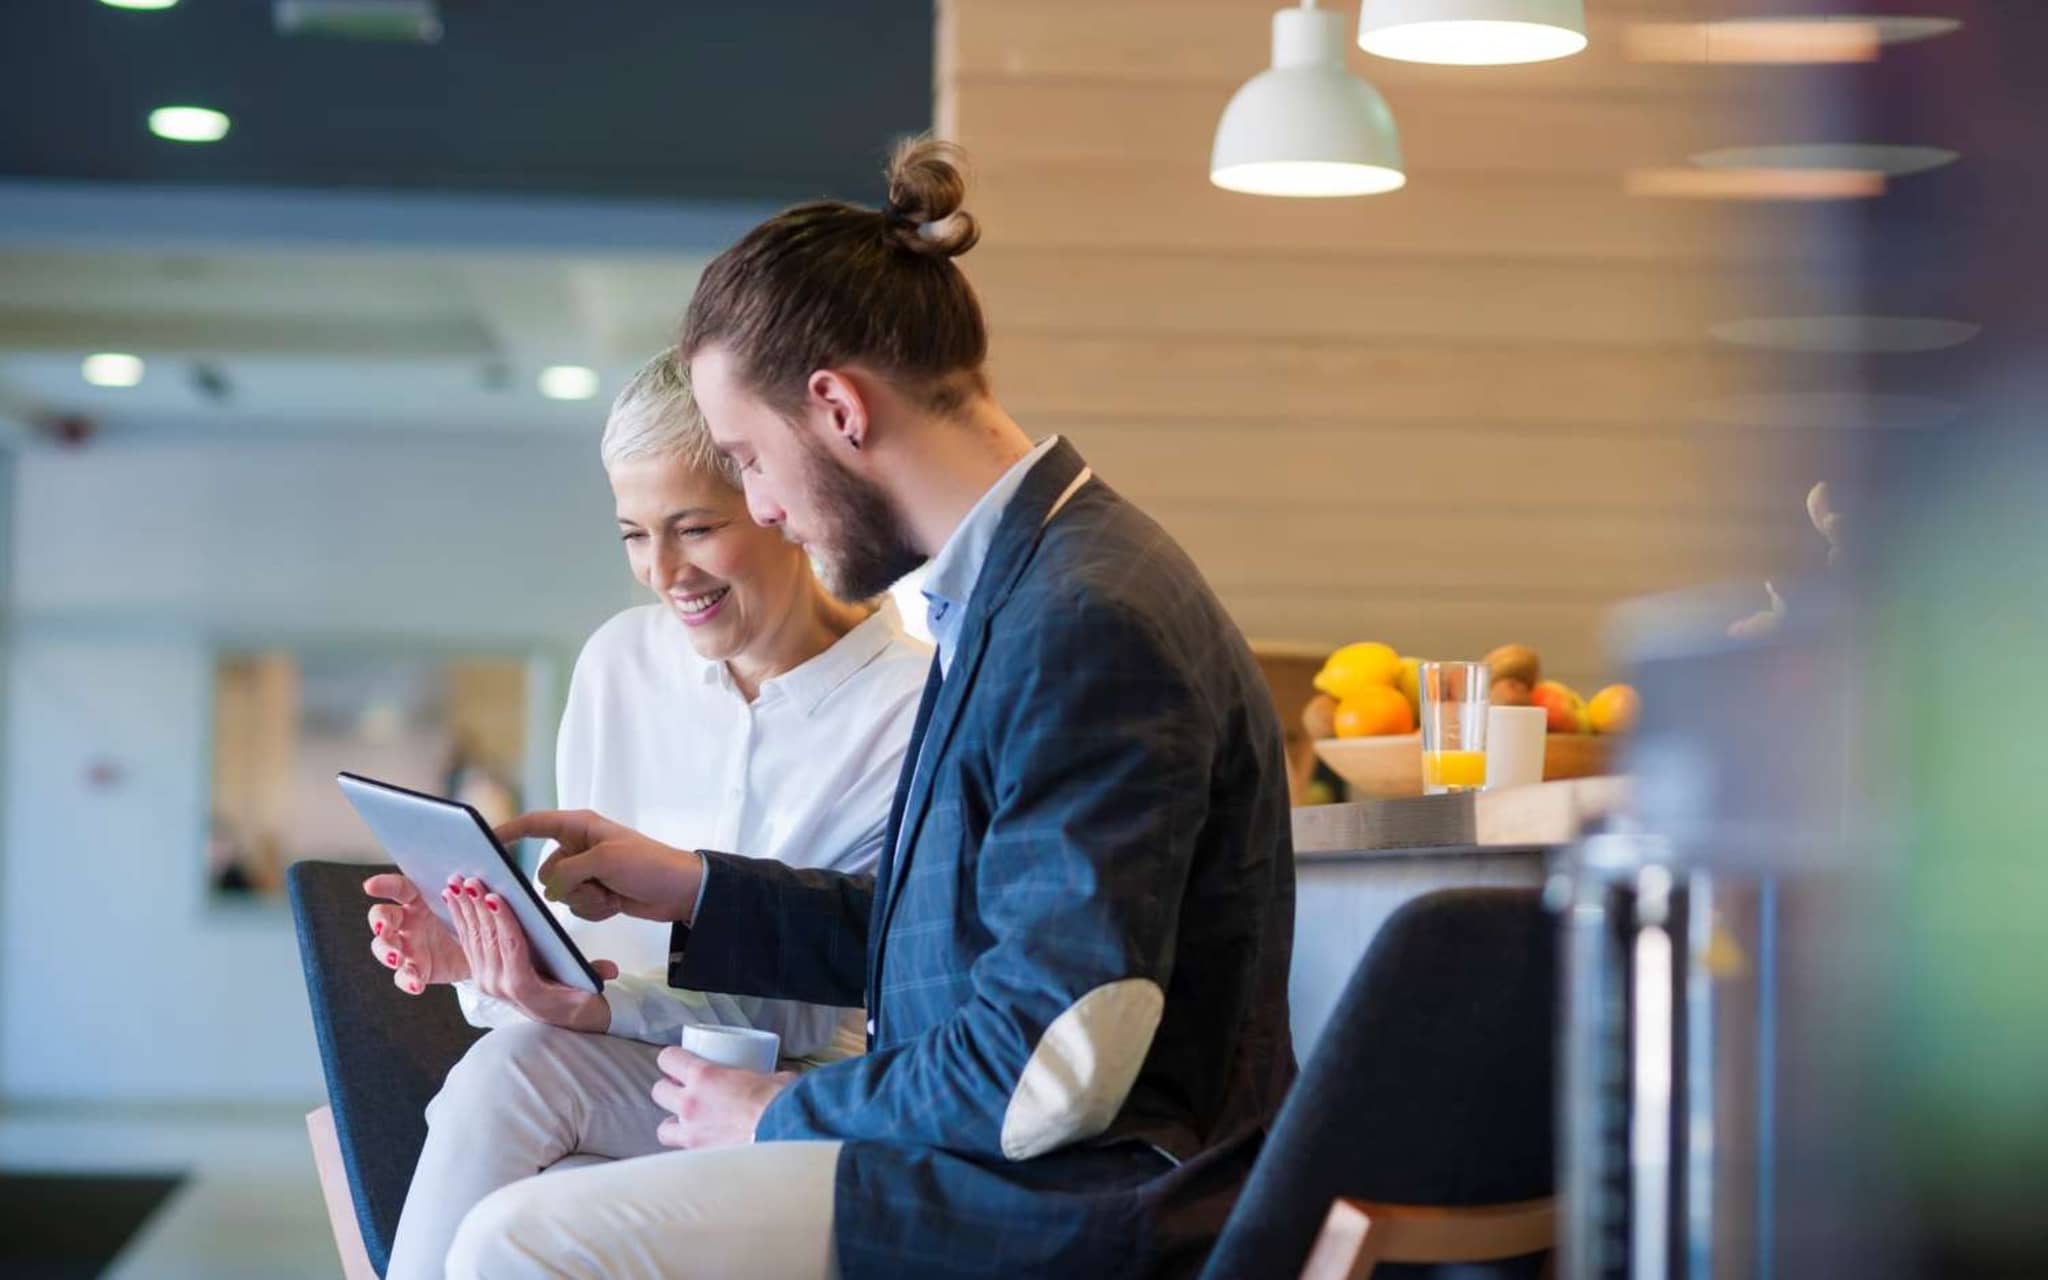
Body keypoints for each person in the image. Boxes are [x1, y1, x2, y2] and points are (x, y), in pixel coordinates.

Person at [448, 137, 1297, 1280]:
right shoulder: (1023, 578)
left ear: (837, 409)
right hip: (999, 1153)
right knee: (522, 1089)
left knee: (521, 1238)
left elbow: (1053, 1058)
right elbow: (938, 947)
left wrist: (778, 1113)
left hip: (1075, 1194)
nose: (760, 505)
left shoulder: (1082, 615)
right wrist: (694, 885)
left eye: (747, 459)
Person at [362, 351, 930, 1280]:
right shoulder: (619, 664)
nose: (663, 573)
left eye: (694, 527)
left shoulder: (906, 712)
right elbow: (583, 959)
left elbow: (789, 1012)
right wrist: (495, 959)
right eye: (633, 534)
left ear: (781, 499)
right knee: (518, 1110)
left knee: (523, 1174)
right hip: (618, 1064)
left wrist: (589, 1009)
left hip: (792, 1099)